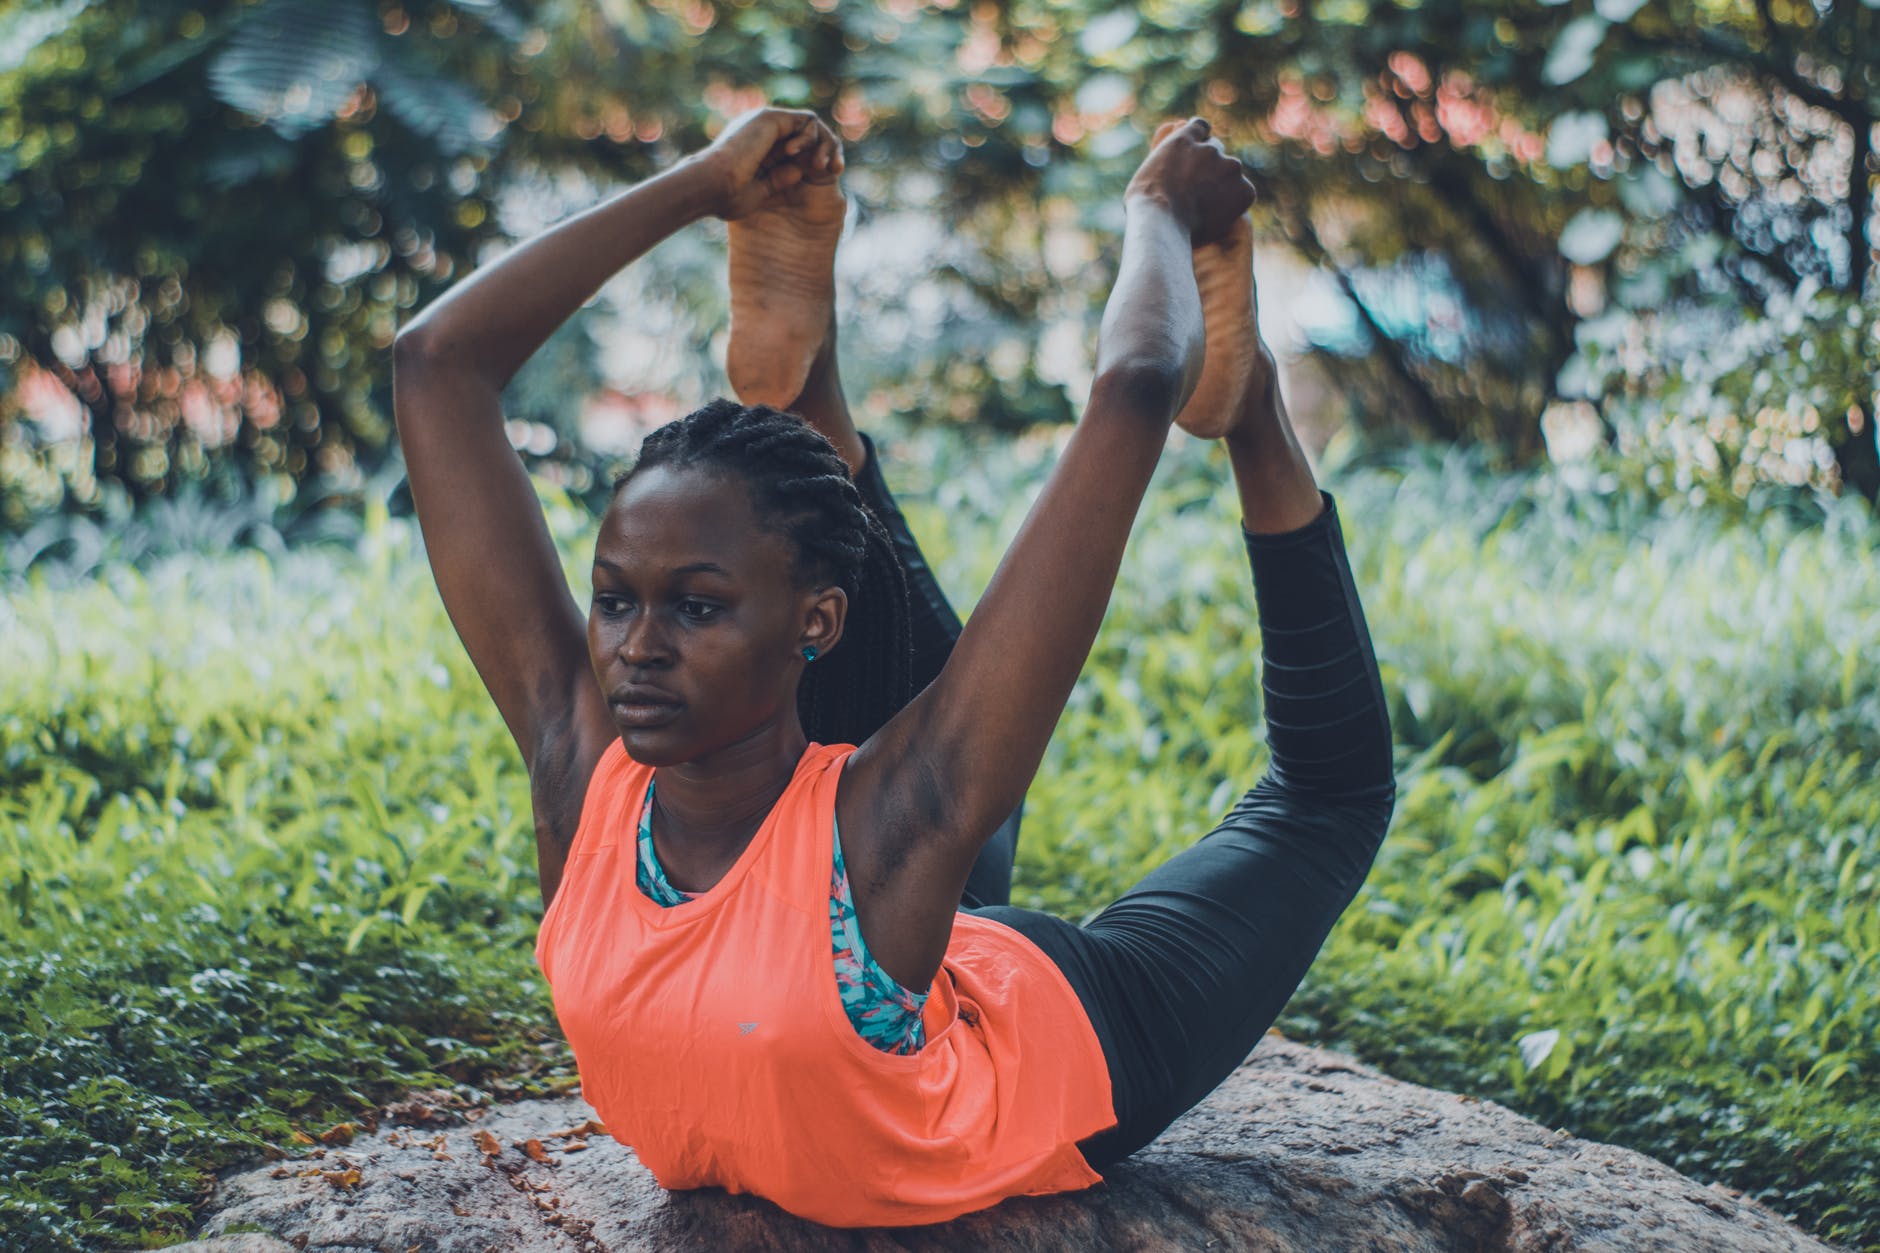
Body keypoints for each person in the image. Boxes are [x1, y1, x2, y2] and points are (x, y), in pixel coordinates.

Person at [391, 107, 1395, 1228]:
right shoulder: (589, 771)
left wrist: (1160, 208)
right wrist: (704, 177)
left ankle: (1252, 410)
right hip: (883, 921)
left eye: (694, 606)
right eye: (615, 597)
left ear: (816, 623)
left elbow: (1130, 390)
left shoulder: (884, 817)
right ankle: (805, 381)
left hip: (1033, 1006)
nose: (635, 644)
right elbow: (431, 365)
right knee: (862, 766)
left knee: (1325, 799)